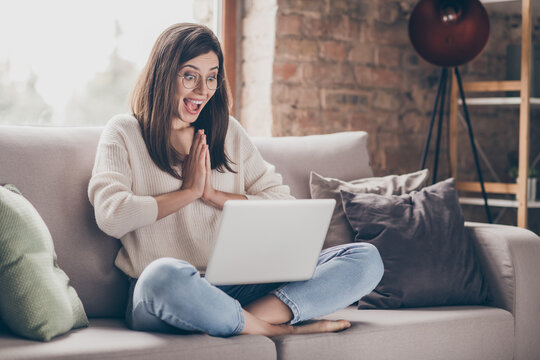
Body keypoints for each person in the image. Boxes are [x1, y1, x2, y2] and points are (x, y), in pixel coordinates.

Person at [88, 23, 384, 338]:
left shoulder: (228, 132)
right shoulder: (124, 132)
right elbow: (112, 215)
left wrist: (214, 195)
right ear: (163, 75)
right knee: (161, 275)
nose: (202, 90)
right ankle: (277, 330)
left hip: (237, 287)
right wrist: (188, 192)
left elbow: (282, 203)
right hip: (171, 293)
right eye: (190, 76)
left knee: (366, 258)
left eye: (211, 77)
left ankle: (241, 320)